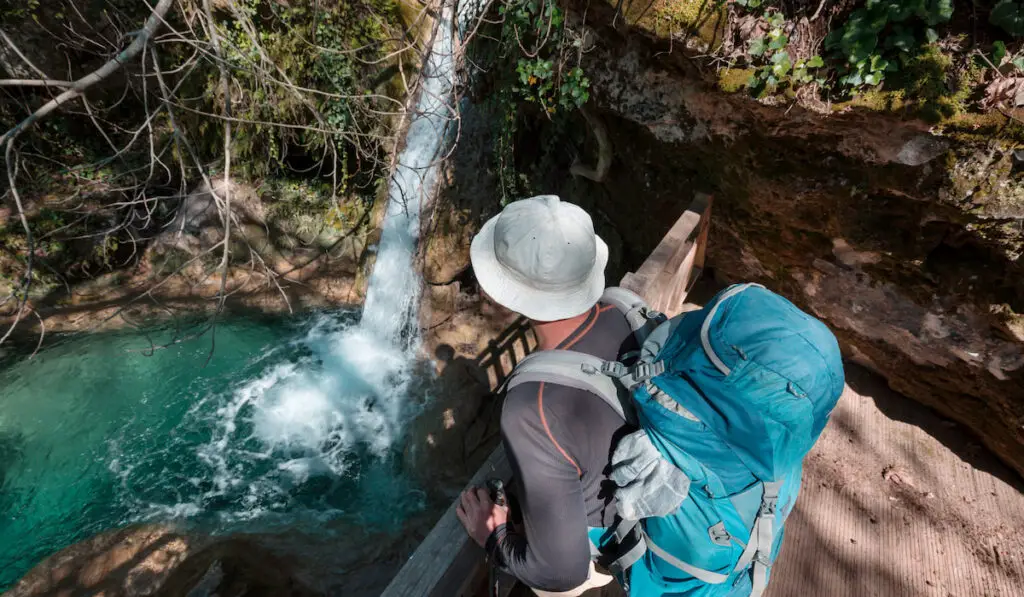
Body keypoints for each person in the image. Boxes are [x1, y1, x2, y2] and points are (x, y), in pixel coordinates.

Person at [455, 195, 633, 595]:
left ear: (507, 290)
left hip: (611, 551)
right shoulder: (625, 311)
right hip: (654, 509)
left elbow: (561, 572)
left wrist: (494, 536)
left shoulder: (530, 408)